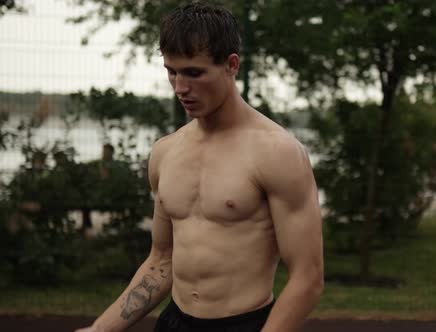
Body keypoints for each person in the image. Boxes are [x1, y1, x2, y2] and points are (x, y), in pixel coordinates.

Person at [75, 2, 324, 332]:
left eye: (194, 72)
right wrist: (99, 329)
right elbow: (161, 261)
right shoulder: (165, 153)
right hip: (174, 322)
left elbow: (307, 277)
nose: (180, 87)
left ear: (231, 65)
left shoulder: (277, 152)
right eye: (171, 71)